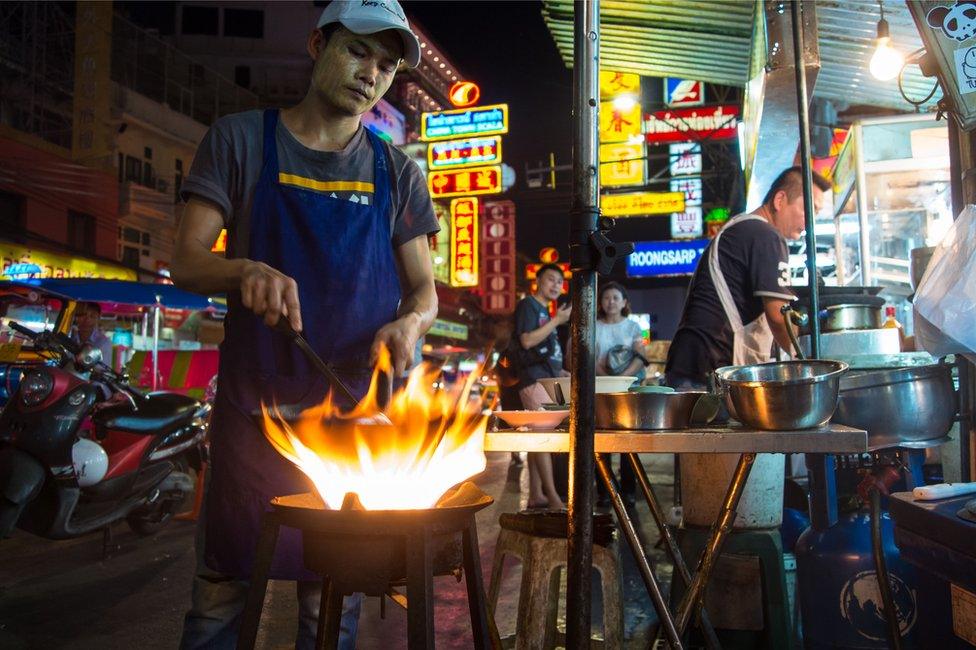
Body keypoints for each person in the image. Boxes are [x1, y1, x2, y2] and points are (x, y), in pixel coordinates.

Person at [170, 2, 437, 648]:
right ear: (317, 44)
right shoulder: (238, 141)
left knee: (330, 608)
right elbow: (186, 260)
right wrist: (242, 272)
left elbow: (424, 290)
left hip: (352, 427)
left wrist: (410, 326)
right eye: (355, 52)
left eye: (384, 65)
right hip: (252, 422)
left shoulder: (397, 173)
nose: (369, 74)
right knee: (221, 601)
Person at [665, 166, 831, 387]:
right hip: (712, 368)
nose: (811, 221)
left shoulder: (742, 227)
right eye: (808, 209)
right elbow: (779, 316)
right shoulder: (766, 235)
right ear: (780, 199)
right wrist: (809, 360)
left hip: (692, 362)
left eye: (817, 213)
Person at [510, 263, 570, 509]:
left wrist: (561, 372)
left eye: (559, 281)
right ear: (538, 281)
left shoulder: (543, 310)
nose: (556, 285)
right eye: (551, 279)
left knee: (538, 437)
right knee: (543, 437)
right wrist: (557, 320)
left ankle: (537, 494)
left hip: (545, 378)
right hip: (533, 379)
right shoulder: (529, 306)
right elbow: (526, 341)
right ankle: (554, 498)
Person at [594, 282, 645, 507]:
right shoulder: (595, 326)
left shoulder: (633, 326)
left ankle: (629, 490)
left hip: (629, 387)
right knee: (601, 439)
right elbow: (592, 358)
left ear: (624, 302)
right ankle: (604, 490)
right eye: (606, 298)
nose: (611, 302)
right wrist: (607, 377)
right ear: (600, 303)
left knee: (628, 439)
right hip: (601, 388)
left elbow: (641, 356)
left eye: (616, 297)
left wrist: (624, 378)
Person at [71, 301, 113, 367]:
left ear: (98, 318)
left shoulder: (103, 342)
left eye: (92, 316)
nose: (87, 319)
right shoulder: (70, 335)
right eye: (83, 315)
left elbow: (102, 370)